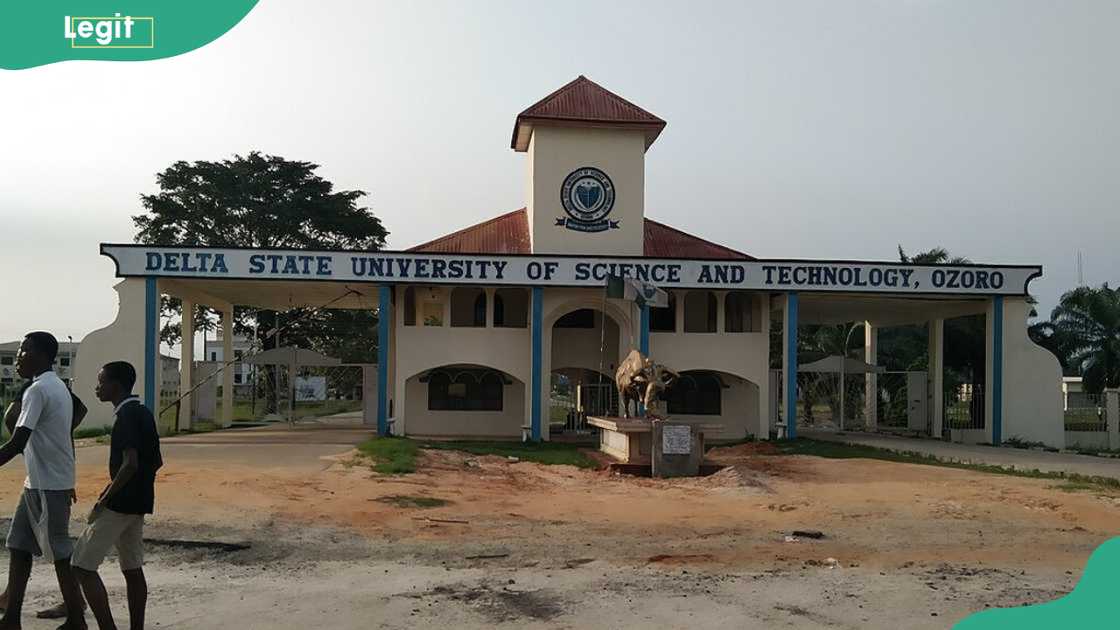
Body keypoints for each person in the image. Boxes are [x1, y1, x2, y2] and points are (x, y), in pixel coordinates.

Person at [0, 332, 87, 630]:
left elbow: (17, 442)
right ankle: (11, 617)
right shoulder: (56, 387)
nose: (18, 357)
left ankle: (77, 618)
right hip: (36, 483)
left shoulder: (38, 391)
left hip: (48, 485)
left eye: (23, 350)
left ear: (38, 354)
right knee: (19, 547)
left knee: (60, 554)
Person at [72, 362, 161, 630]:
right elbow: (155, 462)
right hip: (139, 503)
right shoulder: (143, 412)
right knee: (132, 569)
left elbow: (130, 463)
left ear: (116, 385)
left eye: (101, 382)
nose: (97, 387)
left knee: (82, 566)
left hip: (119, 504)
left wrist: (106, 497)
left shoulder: (125, 417)